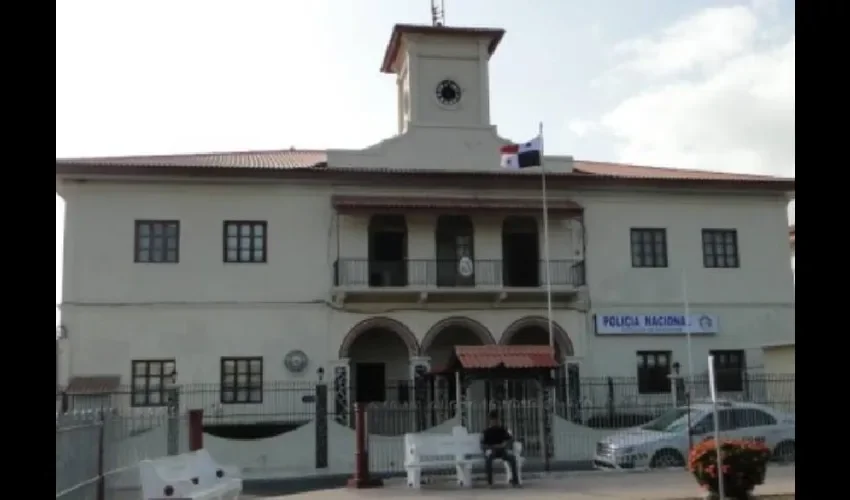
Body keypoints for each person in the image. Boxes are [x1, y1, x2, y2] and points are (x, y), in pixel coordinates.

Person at [480, 409, 520, 487]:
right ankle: (490, 482)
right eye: (493, 420)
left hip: (502, 451)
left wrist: (505, 443)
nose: (495, 422)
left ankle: (515, 481)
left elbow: (511, 439)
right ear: (490, 421)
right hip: (492, 451)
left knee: (512, 459)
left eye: (496, 420)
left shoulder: (502, 429)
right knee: (488, 460)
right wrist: (493, 446)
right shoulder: (486, 432)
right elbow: (483, 445)